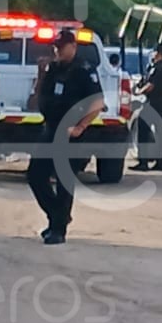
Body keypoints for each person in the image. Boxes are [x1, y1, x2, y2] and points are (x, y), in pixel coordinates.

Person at [27, 29, 104, 245]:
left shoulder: (84, 70)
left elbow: (97, 103)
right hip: (50, 129)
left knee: (63, 180)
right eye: (55, 46)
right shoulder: (52, 68)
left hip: (70, 133)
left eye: (61, 47)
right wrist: (41, 73)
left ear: (73, 46)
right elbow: (38, 96)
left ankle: (58, 230)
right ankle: (57, 215)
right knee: (35, 175)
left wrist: (81, 127)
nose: (57, 50)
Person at [131, 44, 162, 171]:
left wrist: (138, 92)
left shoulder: (157, 68)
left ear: (158, 54)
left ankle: (143, 162)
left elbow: (150, 86)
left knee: (143, 129)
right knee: (160, 133)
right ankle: (161, 163)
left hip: (153, 103)